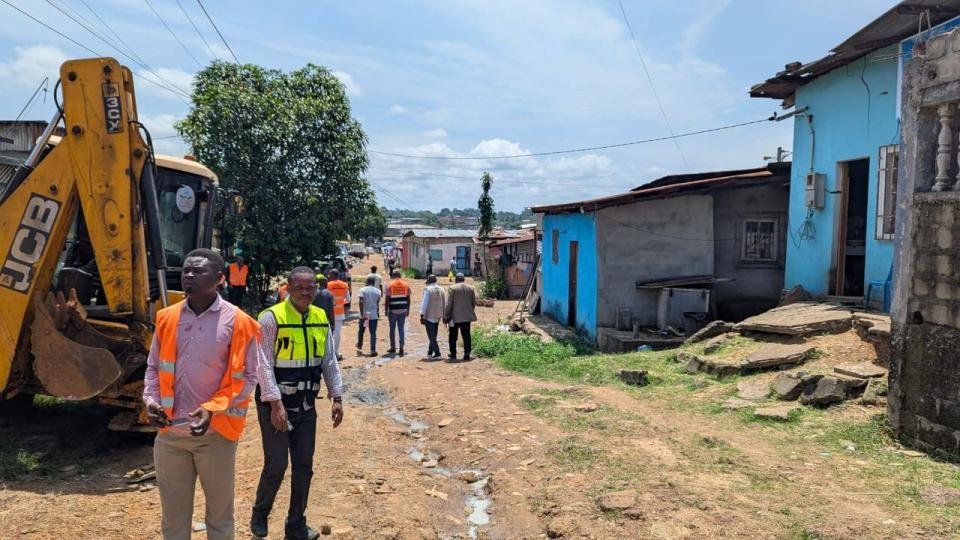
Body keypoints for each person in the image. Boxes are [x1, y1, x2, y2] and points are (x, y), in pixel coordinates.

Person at [143, 248, 263, 540]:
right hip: (170, 436)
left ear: (220, 279)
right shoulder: (167, 317)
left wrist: (212, 408)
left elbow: (248, 376)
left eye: (198, 271)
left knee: (220, 519)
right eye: (186, 270)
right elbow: (153, 368)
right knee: (173, 519)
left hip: (216, 437)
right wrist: (151, 400)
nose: (189, 276)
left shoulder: (240, 323)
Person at [251, 267, 344, 540]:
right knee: (277, 464)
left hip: (306, 405)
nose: (306, 293)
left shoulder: (319, 317)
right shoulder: (270, 318)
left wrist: (336, 397)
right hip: (275, 405)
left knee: (304, 466)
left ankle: (296, 525)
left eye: (310, 288)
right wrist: (275, 404)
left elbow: (329, 360)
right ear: (288, 288)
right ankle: (260, 513)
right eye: (300, 288)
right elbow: (263, 363)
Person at [444, 273, 477, 361]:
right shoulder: (470, 288)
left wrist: (446, 314)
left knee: (453, 336)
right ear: (464, 279)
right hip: (467, 317)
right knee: (466, 335)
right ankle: (467, 353)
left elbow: (449, 303)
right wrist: (469, 311)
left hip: (454, 317)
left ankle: (453, 353)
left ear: (456, 279)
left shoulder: (452, 288)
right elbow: (473, 303)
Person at [384, 269, 412, 356]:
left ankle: (393, 347)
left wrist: (386, 310)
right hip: (403, 309)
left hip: (393, 310)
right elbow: (408, 298)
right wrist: (408, 309)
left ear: (393, 276)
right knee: (401, 328)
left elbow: (387, 299)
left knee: (392, 329)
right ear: (400, 276)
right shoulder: (406, 284)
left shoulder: (390, 285)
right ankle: (401, 348)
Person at [326, 269, 351, 361]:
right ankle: (336, 353)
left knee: (329, 334)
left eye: (329, 275)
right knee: (337, 334)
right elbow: (348, 299)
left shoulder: (328, 285)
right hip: (339, 313)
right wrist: (340, 303)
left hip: (329, 313)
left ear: (332, 275)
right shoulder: (344, 285)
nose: (328, 276)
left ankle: (329, 353)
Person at [419, 274, 445, 359]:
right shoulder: (442, 289)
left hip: (429, 315)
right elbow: (444, 302)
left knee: (431, 336)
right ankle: (430, 352)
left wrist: (422, 314)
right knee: (433, 335)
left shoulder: (428, 289)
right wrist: (444, 314)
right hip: (438, 315)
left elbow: (424, 303)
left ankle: (437, 353)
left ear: (428, 281)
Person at [356, 276, 382, 356]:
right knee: (373, 333)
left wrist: (362, 313)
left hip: (365, 314)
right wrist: (377, 312)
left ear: (367, 282)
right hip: (373, 315)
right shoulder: (378, 291)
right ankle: (373, 350)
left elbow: (361, 301)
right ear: (374, 283)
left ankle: (360, 344)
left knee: (361, 331)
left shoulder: (362, 290)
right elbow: (377, 303)